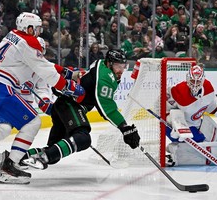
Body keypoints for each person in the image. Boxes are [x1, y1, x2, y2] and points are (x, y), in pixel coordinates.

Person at [0, 12, 85, 184]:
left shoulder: (13, 36)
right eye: (36, 29)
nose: (38, 32)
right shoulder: (28, 43)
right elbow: (47, 72)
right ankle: (9, 167)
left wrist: (65, 71)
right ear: (29, 28)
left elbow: (43, 64)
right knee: (33, 122)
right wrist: (70, 87)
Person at [9, 49, 141, 170]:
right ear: (109, 63)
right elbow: (106, 108)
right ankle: (42, 158)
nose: (121, 70)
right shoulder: (106, 77)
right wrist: (124, 127)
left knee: (53, 150)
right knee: (83, 139)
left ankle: (12, 159)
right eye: (118, 66)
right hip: (70, 105)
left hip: (63, 106)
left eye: (123, 67)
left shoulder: (101, 64)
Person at [0, 37, 58, 167]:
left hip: (24, 108)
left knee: (30, 128)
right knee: (4, 128)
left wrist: (47, 103)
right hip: (6, 101)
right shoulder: (15, 62)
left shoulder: (41, 70)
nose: (37, 54)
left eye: (40, 51)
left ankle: (14, 160)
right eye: (35, 50)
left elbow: (42, 92)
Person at [165, 64, 217, 166]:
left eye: (197, 81)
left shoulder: (208, 89)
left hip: (196, 124)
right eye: (192, 81)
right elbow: (163, 108)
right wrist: (172, 123)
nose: (194, 84)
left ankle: (175, 148)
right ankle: (175, 155)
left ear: (202, 80)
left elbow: (215, 108)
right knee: (198, 139)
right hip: (175, 127)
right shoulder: (176, 91)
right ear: (187, 79)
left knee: (213, 136)